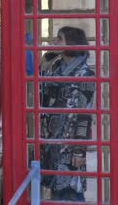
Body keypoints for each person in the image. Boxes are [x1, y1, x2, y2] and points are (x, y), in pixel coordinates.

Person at [39, 26, 95, 201]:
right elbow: (40, 95)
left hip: (70, 146)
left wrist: (79, 152)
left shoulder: (85, 75)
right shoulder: (55, 67)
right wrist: (45, 60)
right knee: (56, 191)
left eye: (59, 39)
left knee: (71, 192)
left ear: (72, 44)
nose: (54, 42)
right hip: (51, 142)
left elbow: (84, 116)